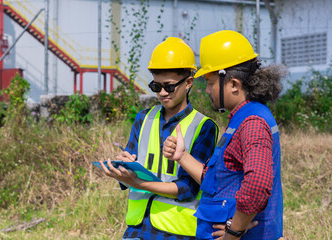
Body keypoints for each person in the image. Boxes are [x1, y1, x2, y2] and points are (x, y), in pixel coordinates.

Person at [163, 30, 285, 240]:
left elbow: (257, 185)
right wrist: (182, 156)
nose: (207, 90)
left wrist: (233, 232)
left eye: (210, 83)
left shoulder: (252, 122)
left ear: (234, 84)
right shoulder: (241, 118)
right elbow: (220, 181)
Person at [99, 37, 219, 239]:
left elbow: (189, 188)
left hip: (176, 232)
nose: (162, 93)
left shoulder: (203, 127)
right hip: (137, 228)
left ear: (189, 82)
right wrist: (123, 168)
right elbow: (130, 174)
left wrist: (139, 183)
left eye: (169, 86)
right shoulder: (143, 118)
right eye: (156, 87)